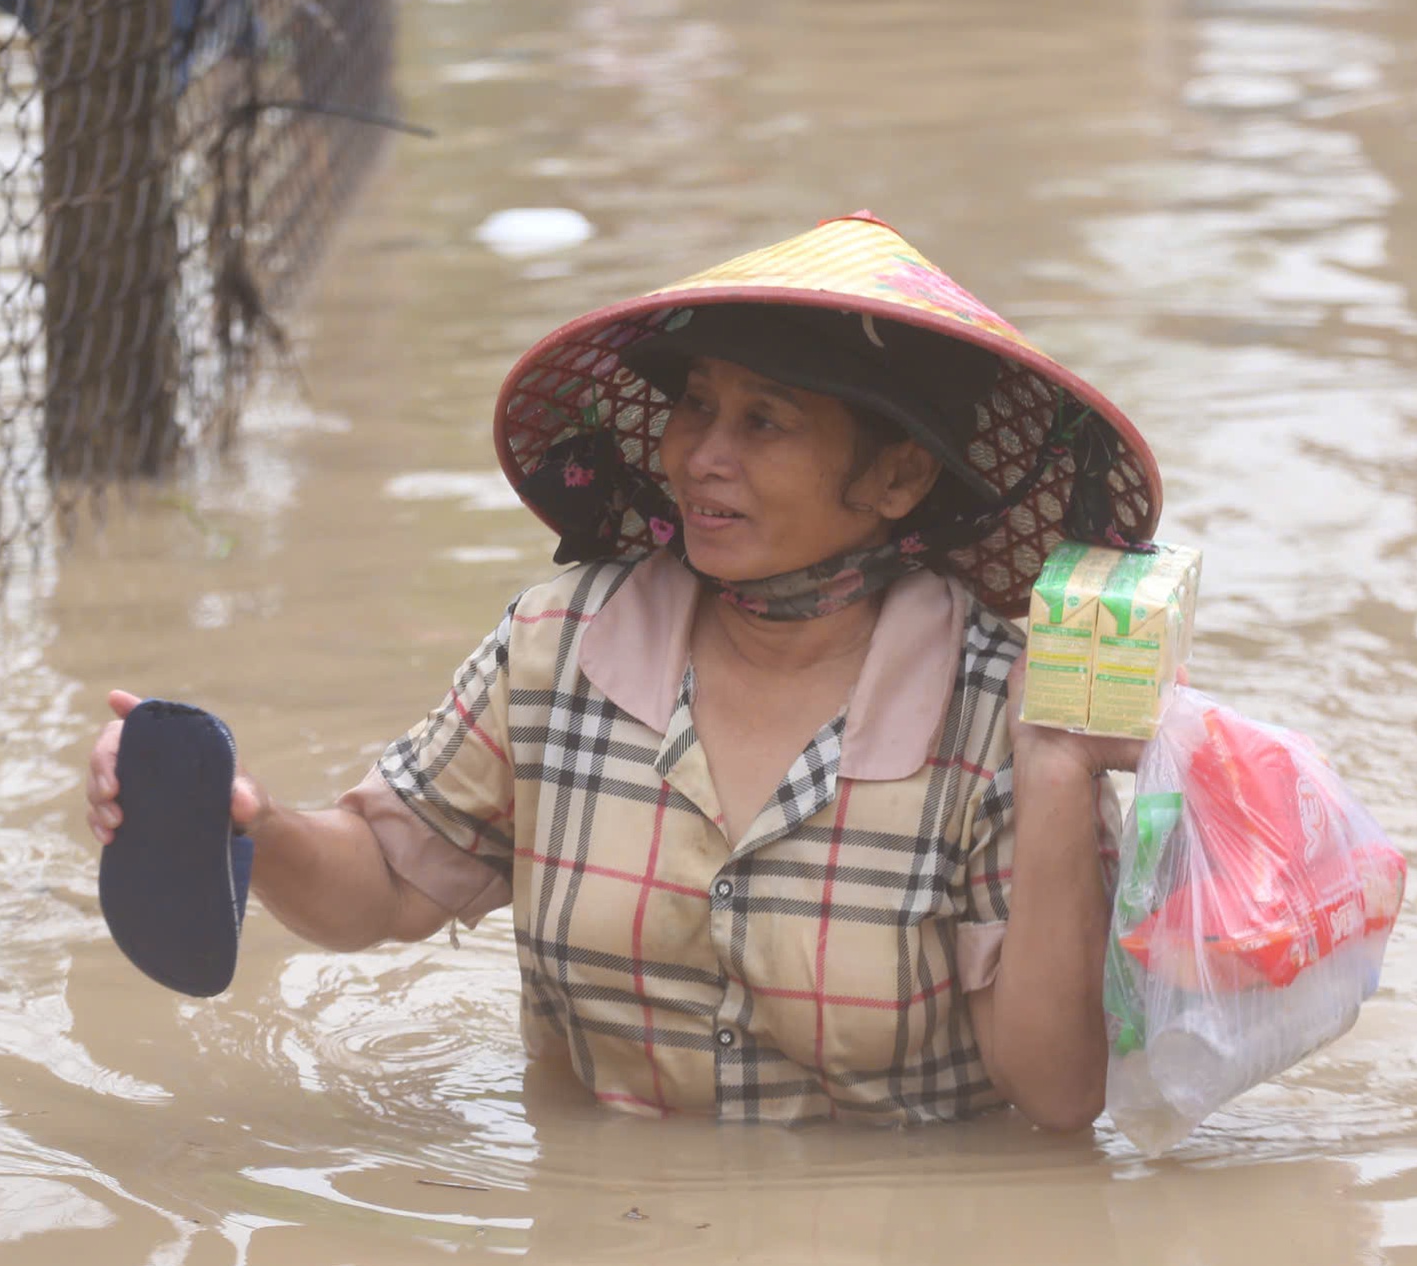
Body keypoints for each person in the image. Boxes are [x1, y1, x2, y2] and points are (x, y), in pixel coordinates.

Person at [85, 213, 1164, 1129]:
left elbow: (1056, 1093)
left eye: (764, 421)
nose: (701, 455)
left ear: (896, 473)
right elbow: (384, 883)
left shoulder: (998, 712)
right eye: (696, 406)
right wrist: (251, 824)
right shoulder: (560, 643)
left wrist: (1061, 768)